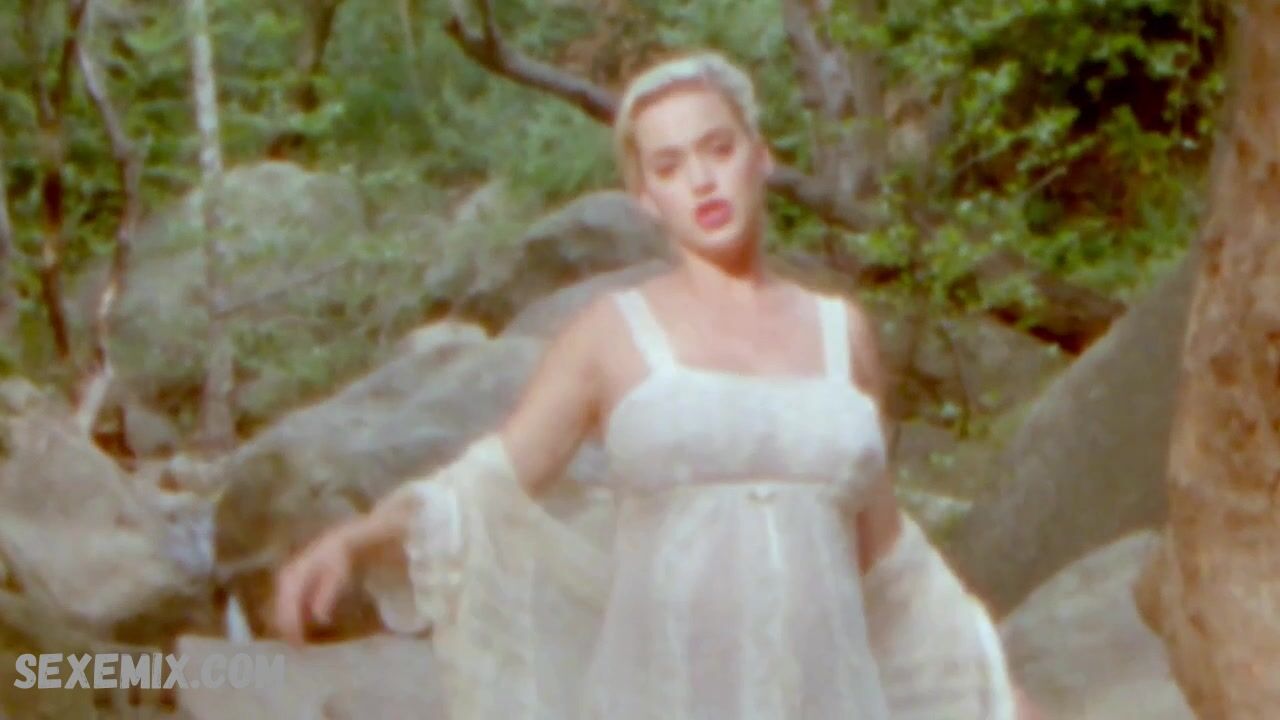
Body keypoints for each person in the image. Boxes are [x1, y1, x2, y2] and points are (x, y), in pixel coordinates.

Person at [273, 50, 1036, 719]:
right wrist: (354, 540)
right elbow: (485, 486)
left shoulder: (844, 334)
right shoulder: (610, 334)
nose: (701, 180)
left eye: (718, 149)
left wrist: (991, 692)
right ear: (645, 197)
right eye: (669, 166)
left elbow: (888, 561)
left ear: (760, 156)